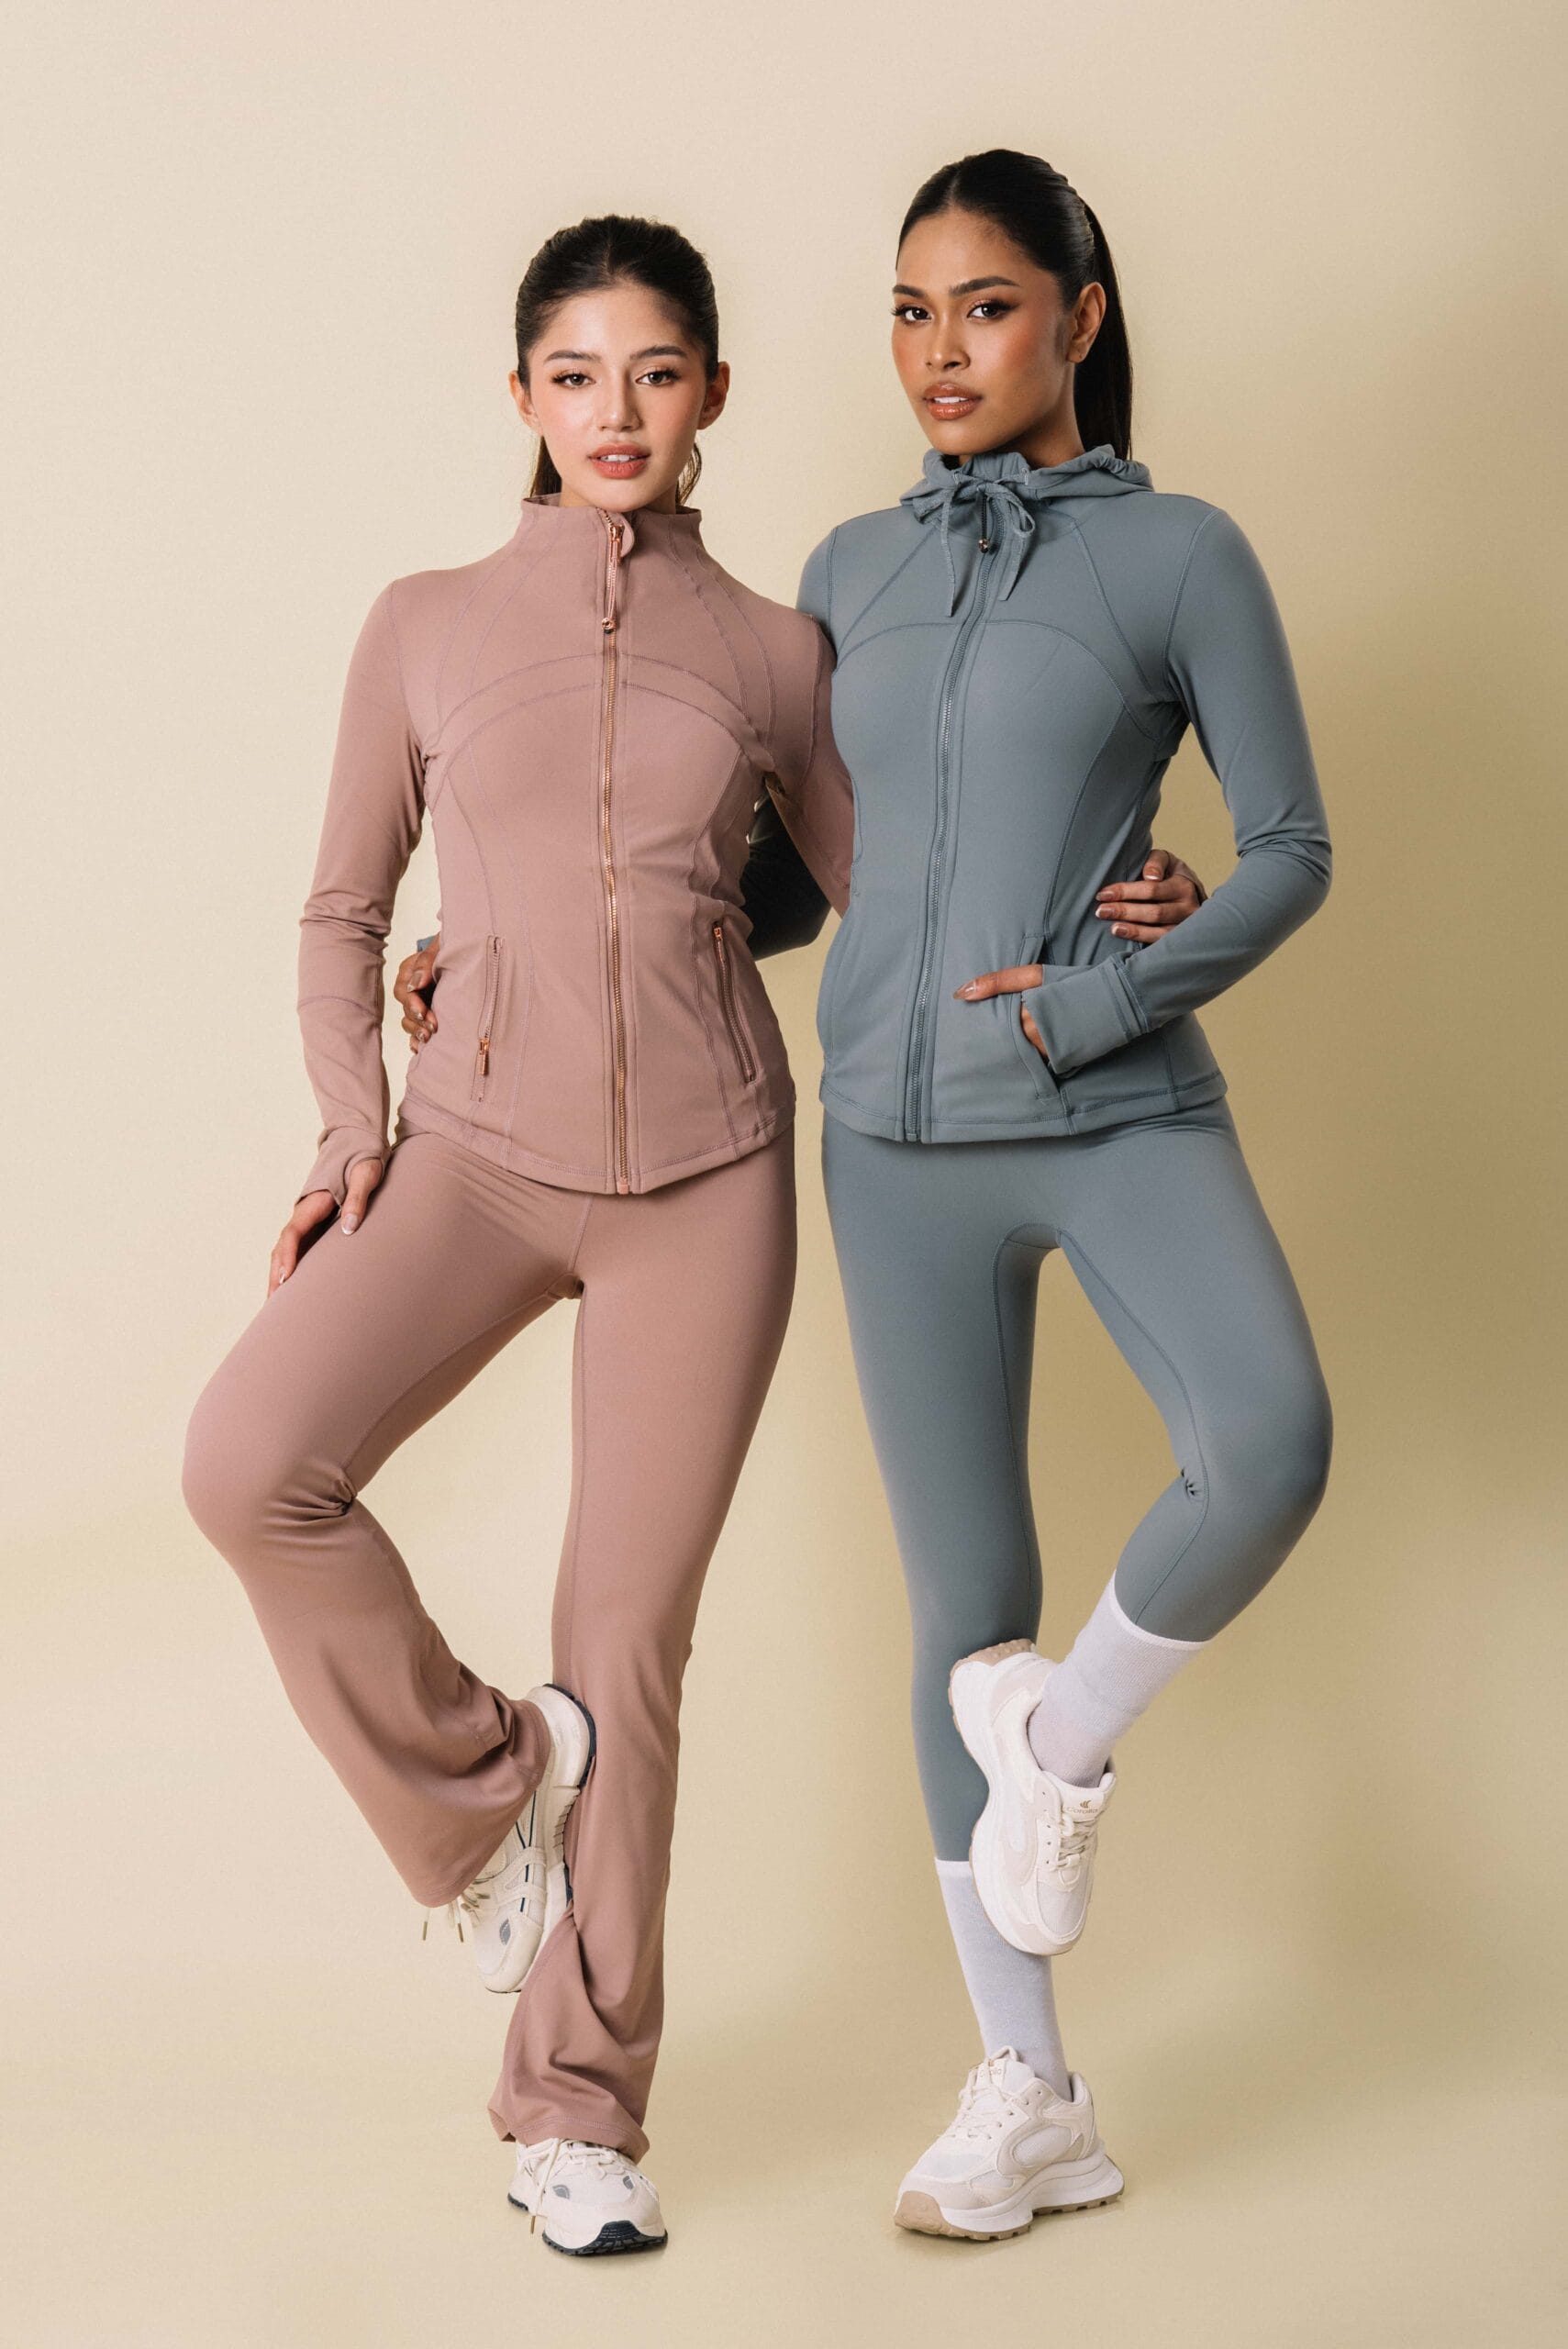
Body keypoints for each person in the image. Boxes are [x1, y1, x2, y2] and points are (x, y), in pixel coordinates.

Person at [181, 214, 858, 2258]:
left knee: (625, 1642)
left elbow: (872, 888)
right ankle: (488, 1793)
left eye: (655, 371)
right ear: (522, 399)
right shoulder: (425, 622)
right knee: (249, 1462)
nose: (615, 412)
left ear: (713, 390)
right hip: (471, 1152)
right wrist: (352, 1130)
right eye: (576, 375)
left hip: (711, 1177)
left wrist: (1121, 885)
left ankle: (578, 2111)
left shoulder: (777, 651)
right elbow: (340, 908)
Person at [794, 150, 1334, 2243]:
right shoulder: (846, 564)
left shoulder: (1181, 552)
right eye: (910, 311)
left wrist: (1113, 989)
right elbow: (776, 870)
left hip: (1105, 1099)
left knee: (1265, 1439)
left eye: (987, 305)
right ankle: (1028, 2095)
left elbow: (1287, 847)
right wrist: (503, 942)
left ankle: (1061, 1744)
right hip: (883, 1138)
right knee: (961, 1603)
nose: (942, 351)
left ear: (1080, 318)